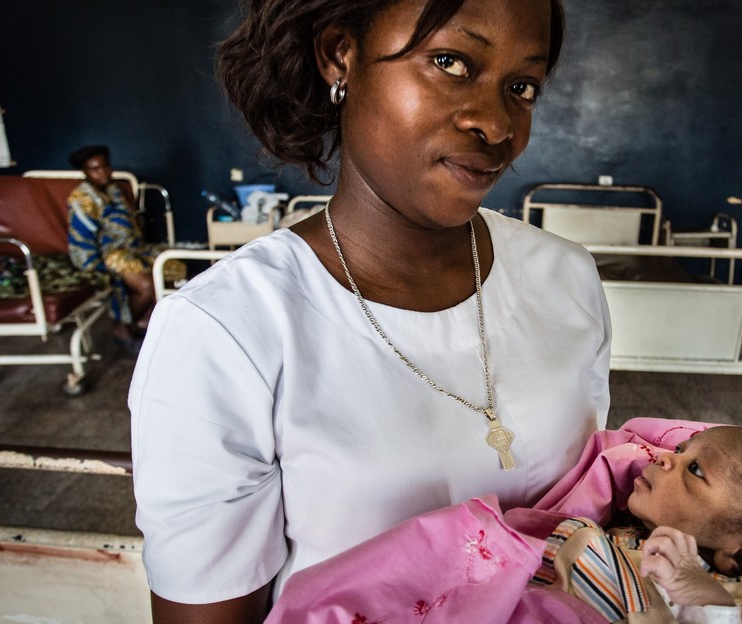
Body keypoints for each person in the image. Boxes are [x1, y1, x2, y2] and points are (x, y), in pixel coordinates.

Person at [129, 0, 609, 622]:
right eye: (450, 62)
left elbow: (594, 520)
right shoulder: (228, 331)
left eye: (521, 86)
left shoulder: (566, 279)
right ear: (341, 56)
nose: (495, 125)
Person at [534, 425, 742, 623]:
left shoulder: (735, 595)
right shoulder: (626, 530)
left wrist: (700, 593)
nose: (663, 458)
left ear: (741, 558)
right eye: (680, 450)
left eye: (696, 470)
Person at [66, 145, 159, 353]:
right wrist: (95, 267)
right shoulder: (82, 198)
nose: (103, 173)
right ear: (85, 172)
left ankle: (145, 323)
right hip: (106, 255)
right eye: (95, 169)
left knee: (169, 268)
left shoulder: (115, 190)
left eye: (105, 166)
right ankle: (121, 327)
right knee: (146, 286)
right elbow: (81, 237)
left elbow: (130, 227)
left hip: (132, 249)